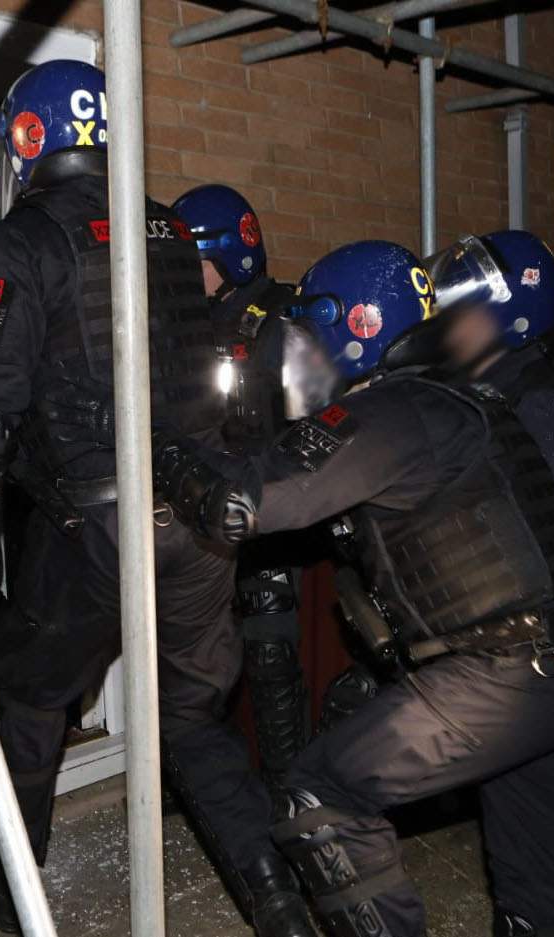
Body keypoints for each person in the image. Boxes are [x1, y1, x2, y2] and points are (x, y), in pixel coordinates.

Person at [0, 60, 311, 937]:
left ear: (27, 139)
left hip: (97, 524)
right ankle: (284, 904)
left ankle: (17, 902)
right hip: (195, 523)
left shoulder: (20, 241)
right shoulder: (171, 228)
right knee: (193, 721)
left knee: (28, 707)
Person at [153, 240, 554, 937]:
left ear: (358, 324)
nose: (297, 356)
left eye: (308, 335)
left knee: (318, 796)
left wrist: (155, 439)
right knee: (541, 904)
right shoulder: (456, 399)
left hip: (500, 674)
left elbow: (240, 506)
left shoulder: (390, 408)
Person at [427, 230, 554, 937]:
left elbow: (513, 520)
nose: (447, 329)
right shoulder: (489, 395)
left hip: (542, 650)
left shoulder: (542, 404)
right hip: (508, 651)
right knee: (531, 853)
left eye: (461, 313)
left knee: (543, 876)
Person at [171, 184, 313, 791]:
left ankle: (291, 795)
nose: (183, 275)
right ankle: (199, 781)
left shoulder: (283, 319)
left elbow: (316, 423)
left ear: (235, 256)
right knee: (191, 659)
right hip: (196, 514)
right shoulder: (182, 325)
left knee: (271, 653)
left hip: (269, 514)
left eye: (195, 261)